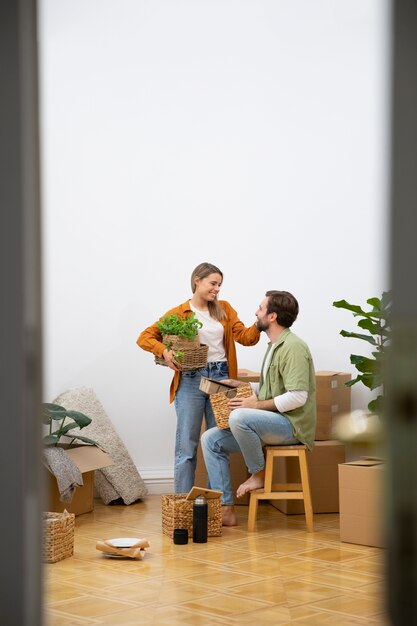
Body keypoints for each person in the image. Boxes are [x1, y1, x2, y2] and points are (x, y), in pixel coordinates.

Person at [136, 262, 260, 493]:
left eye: (220, 285)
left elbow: (245, 337)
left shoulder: (225, 309)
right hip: (191, 379)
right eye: (213, 283)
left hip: (221, 379)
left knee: (218, 441)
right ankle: (183, 504)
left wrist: (261, 324)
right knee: (187, 445)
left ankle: (216, 504)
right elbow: (145, 337)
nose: (217, 289)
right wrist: (164, 351)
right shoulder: (179, 313)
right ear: (197, 280)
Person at [201, 290, 316, 526]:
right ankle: (226, 509)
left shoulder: (293, 347)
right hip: (272, 422)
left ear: (272, 316)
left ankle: (258, 474)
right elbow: (271, 389)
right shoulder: (274, 346)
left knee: (240, 416)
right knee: (210, 439)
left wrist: (255, 405)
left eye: (261, 308)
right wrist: (243, 386)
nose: (256, 312)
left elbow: (298, 397)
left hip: (291, 426)